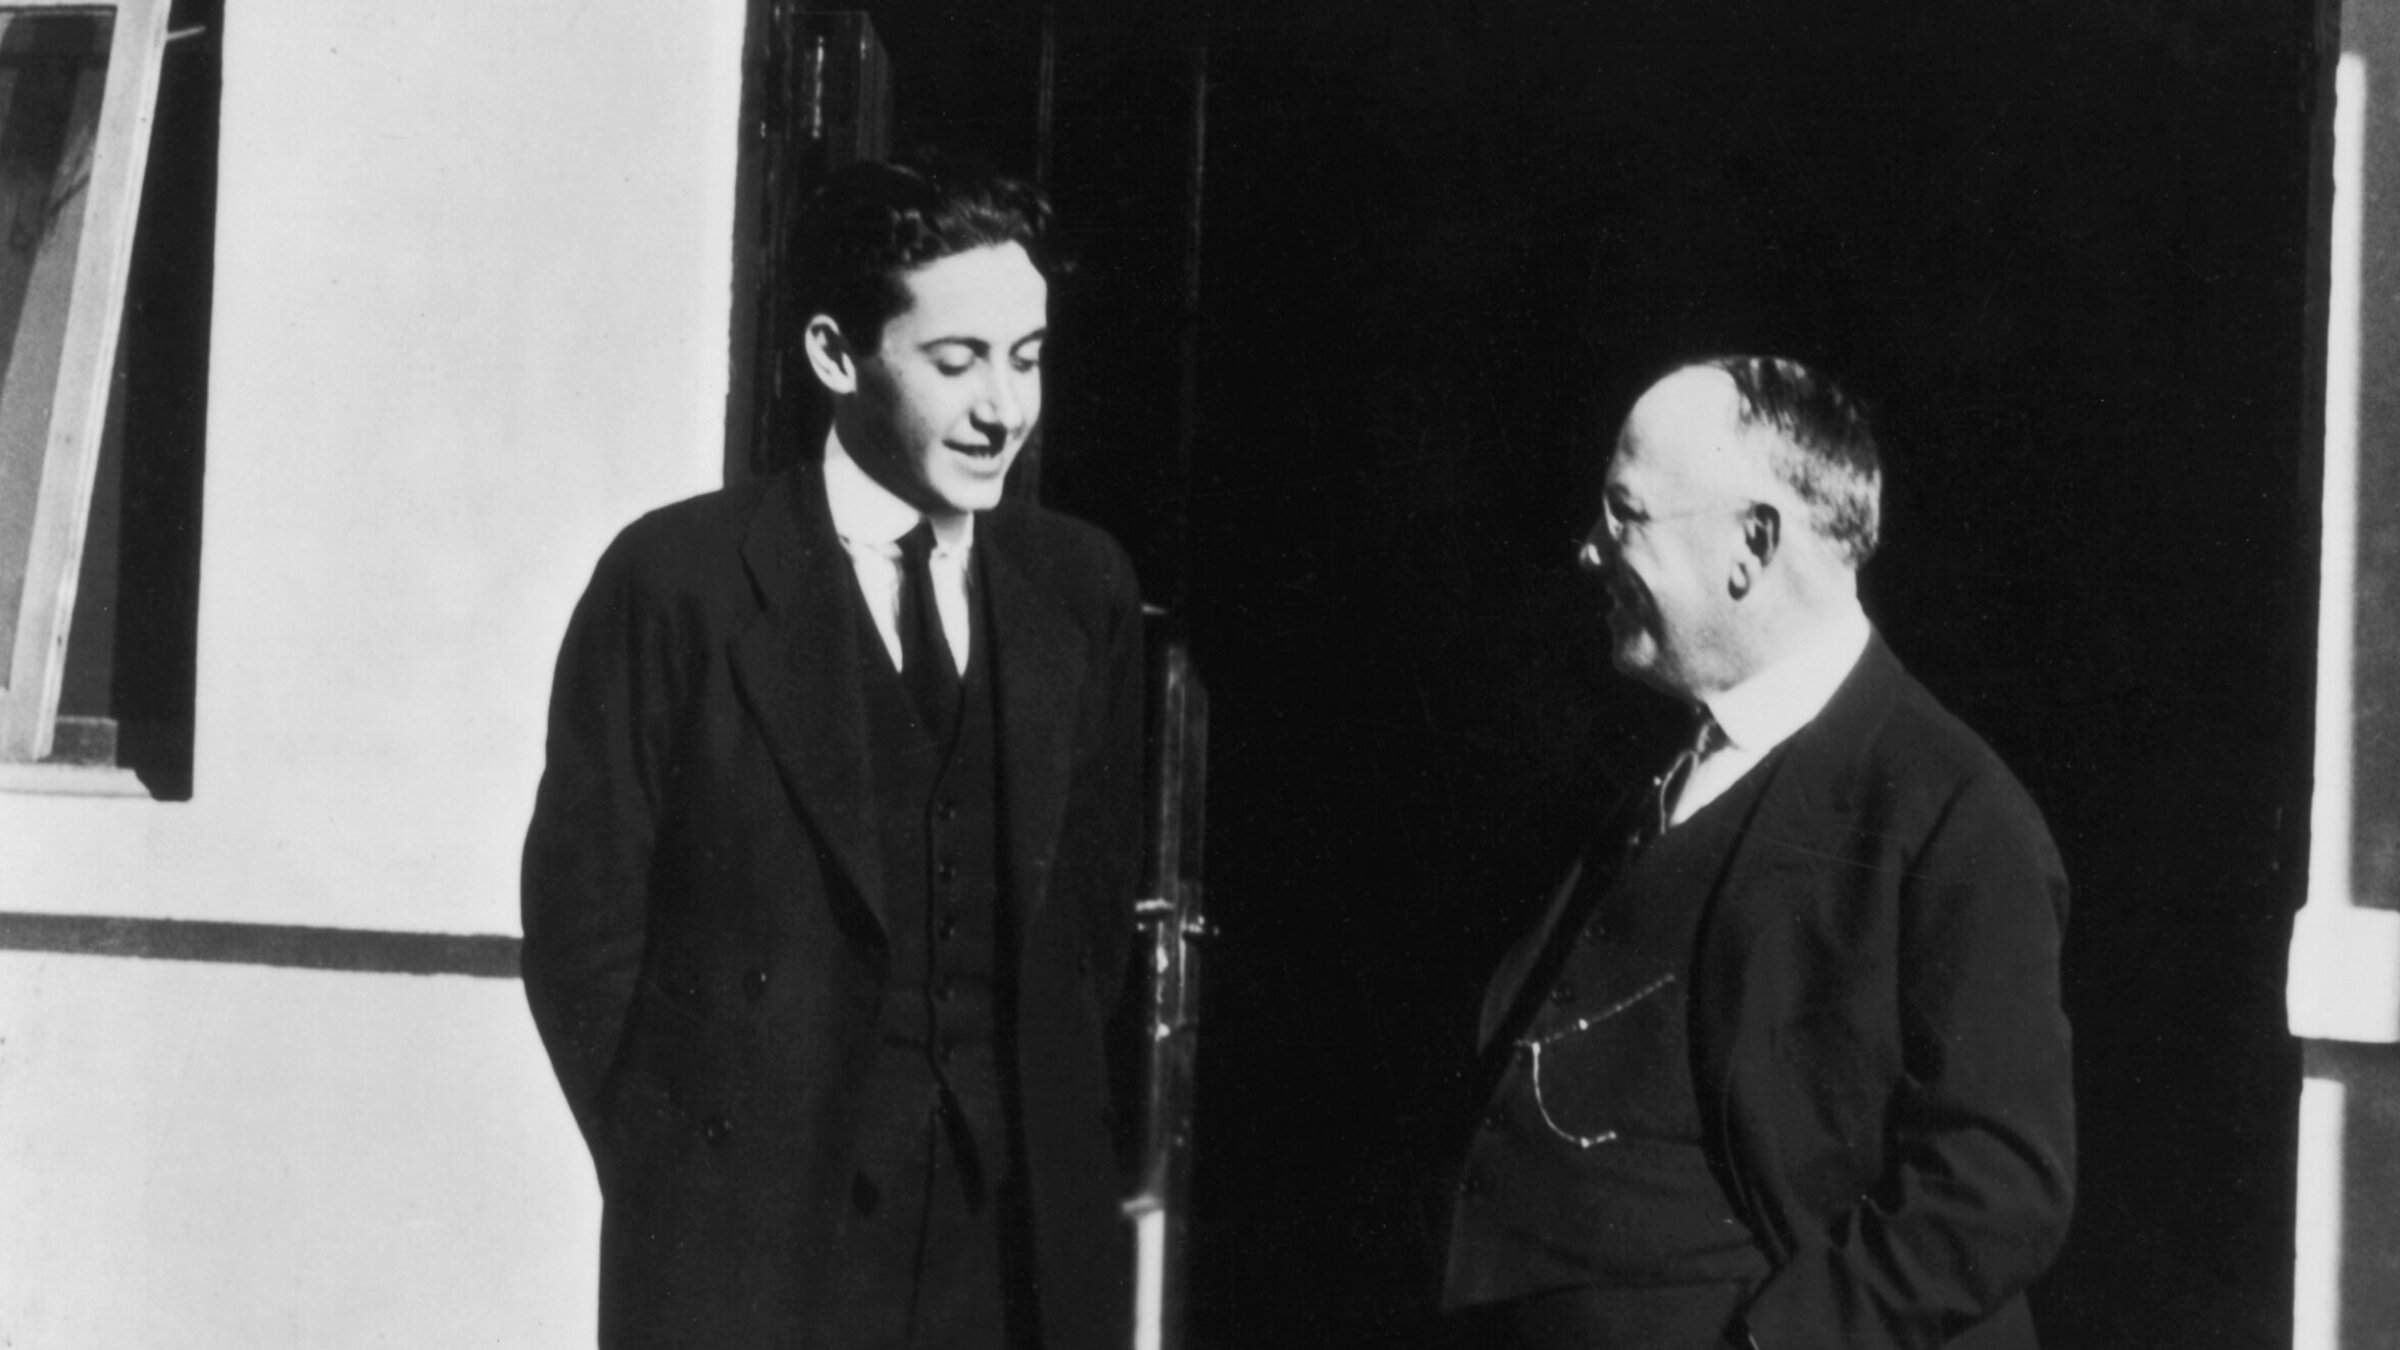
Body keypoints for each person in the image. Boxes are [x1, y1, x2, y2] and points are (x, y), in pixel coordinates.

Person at [521, 156, 1144, 1349]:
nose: (1003, 409)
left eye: (1028, 358)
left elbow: (1089, 928)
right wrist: (686, 1177)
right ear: (831, 356)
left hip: (1005, 1242)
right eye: (956, 362)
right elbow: (581, 929)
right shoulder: (680, 584)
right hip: (753, 1242)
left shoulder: (1080, 587)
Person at [1443, 357, 2075, 1349]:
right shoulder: (1662, 763)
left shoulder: (1956, 814)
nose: (1588, 550)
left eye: (1626, 514)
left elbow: (1997, 1188)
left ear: (1753, 542)